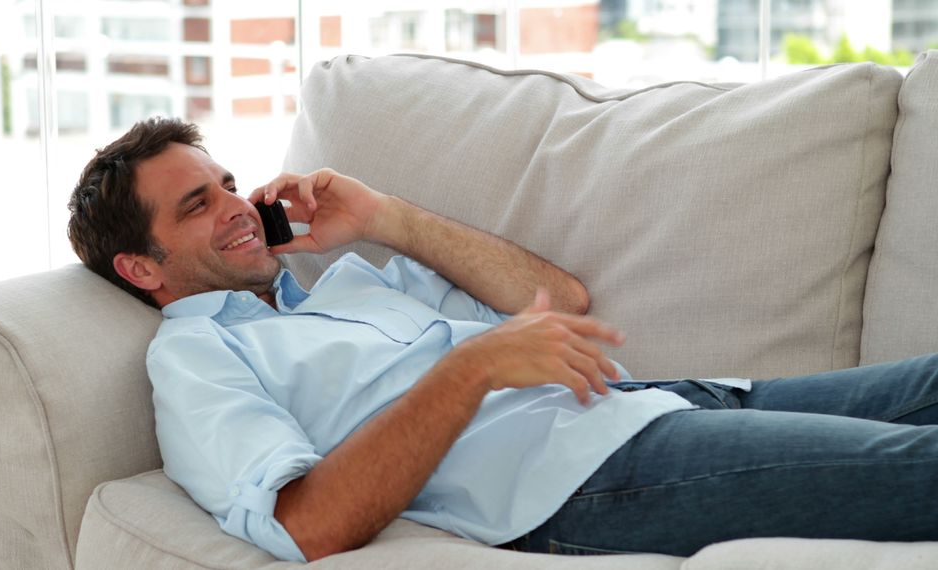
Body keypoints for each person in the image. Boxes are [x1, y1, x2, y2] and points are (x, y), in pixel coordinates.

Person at [67, 117, 938, 563]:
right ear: (143, 268)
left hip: (649, 406)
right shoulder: (197, 357)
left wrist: (385, 219)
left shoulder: (348, 283)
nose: (232, 207)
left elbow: (556, 297)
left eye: (225, 184)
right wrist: (473, 369)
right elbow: (306, 527)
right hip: (583, 484)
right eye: (196, 206)